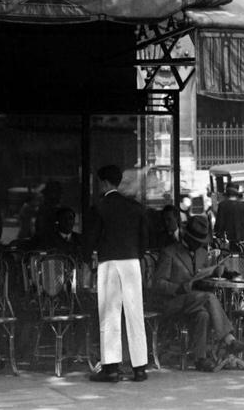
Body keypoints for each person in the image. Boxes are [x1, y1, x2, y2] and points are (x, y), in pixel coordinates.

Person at [147, 214, 244, 372]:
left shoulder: (202, 253)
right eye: (195, 241)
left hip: (195, 301)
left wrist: (219, 272)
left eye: (201, 242)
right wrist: (179, 288)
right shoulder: (169, 253)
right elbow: (158, 283)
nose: (198, 245)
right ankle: (229, 339)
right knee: (208, 297)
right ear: (186, 237)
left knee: (203, 314)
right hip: (172, 301)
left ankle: (200, 359)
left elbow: (203, 274)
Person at [83, 164, 150, 383]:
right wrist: (137, 256)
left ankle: (111, 368)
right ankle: (139, 368)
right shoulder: (135, 207)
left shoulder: (100, 207)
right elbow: (143, 239)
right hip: (132, 262)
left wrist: (86, 259)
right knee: (135, 312)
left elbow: (91, 239)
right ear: (118, 181)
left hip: (109, 262)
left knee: (110, 314)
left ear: (104, 182)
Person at [213, 184, 244, 251]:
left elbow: (219, 224)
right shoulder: (243, 206)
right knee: (243, 259)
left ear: (226, 194)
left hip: (228, 242)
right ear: (237, 194)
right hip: (242, 241)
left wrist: (218, 235)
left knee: (229, 259)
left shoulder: (222, 205)